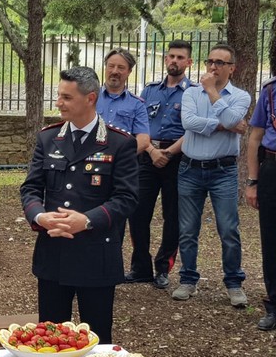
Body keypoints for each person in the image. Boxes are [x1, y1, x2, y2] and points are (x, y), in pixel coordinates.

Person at [20, 67, 139, 344]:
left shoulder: (119, 143)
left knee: (97, 340)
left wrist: (85, 220)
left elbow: (127, 198)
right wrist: (40, 216)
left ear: (90, 98)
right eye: (59, 96)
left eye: (66, 97)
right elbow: (31, 188)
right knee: (50, 337)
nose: (59, 103)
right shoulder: (48, 138)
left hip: (95, 256)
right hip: (53, 255)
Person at [173, 44, 250, 306]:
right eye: (210, 61)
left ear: (232, 68)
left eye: (219, 62)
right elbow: (189, 123)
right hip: (190, 169)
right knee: (187, 229)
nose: (213, 67)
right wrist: (222, 125)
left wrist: (212, 91)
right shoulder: (191, 93)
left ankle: (233, 283)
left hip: (223, 171)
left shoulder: (241, 96)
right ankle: (188, 279)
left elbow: (233, 121)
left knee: (229, 229)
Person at [124, 40, 195, 289]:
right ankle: (141, 267)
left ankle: (163, 268)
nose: (174, 61)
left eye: (180, 57)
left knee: (172, 215)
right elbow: (138, 124)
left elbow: (193, 130)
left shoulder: (194, 93)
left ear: (189, 63)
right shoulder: (149, 90)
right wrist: (153, 151)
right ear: (166, 59)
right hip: (147, 155)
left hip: (178, 159)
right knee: (137, 212)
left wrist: (168, 152)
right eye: (171, 56)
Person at [245, 75, 276, 330]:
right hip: (272, 169)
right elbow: (255, 137)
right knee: (272, 239)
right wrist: (253, 181)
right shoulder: (270, 91)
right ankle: (274, 305)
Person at [96, 48, 151, 154]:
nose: (115, 71)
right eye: (111, 66)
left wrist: (121, 157)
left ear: (129, 72)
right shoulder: (89, 98)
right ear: (105, 68)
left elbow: (143, 140)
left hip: (121, 164)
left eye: (121, 68)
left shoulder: (137, 104)